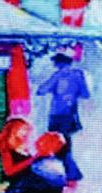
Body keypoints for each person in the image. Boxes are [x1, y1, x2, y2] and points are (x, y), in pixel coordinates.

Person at [38, 52, 89, 183]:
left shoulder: (57, 75)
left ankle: (69, 173)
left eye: (55, 62)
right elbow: (85, 94)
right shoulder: (78, 74)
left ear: (59, 63)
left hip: (57, 115)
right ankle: (70, 173)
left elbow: (41, 90)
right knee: (65, 143)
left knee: (57, 144)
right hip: (71, 114)